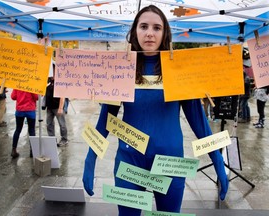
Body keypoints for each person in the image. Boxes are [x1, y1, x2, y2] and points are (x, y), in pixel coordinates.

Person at [82, 5, 228, 215]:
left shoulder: (179, 69)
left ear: (164, 33)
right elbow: (106, 118)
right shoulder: (121, 69)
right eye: (143, 26)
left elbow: (199, 123)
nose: (150, 33)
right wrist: (90, 159)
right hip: (129, 162)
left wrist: (218, 161)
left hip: (170, 165)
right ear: (134, 32)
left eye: (157, 28)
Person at [43, 63, 69, 147]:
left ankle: (64, 139)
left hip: (58, 107)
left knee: (62, 124)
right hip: (49, 107)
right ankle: (51, 139)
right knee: (49, 124)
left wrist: (61, 108)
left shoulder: (60, 81)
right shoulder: (48, 81)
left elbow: (63, 95)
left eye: (52, 70)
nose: (51, 72)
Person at [10, 89, 38, 158]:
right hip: (30, 110)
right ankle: (32, 151)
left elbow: (13, 97)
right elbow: (37, 97)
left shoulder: (18, 84)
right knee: (31, 130)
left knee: (18, 129)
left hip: (20, 110)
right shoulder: (32, 85)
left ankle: (14, 150)